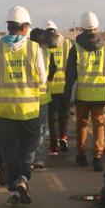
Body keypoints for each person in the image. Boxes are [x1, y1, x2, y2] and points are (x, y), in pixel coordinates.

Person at [0, 5, 46, 207]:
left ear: (8, 26)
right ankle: (23, 180)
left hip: (3, 111)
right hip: (29, 110)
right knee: (28, 150)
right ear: (25, 27)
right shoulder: (34, 48)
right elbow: (42, 79)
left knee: (10, 153)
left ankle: (13, 192)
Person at [64, 11, 105, 173]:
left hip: (82, 94)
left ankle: (81, 155)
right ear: (97, 27)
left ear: (81, 28)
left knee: (82, 124)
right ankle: (98, 157)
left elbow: (70, 75)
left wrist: (68, 96)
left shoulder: (76, 49)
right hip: (100, 95)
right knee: (99, 125)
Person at [44, 20, 71, 154]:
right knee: (64, 115)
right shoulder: (66, 43)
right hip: (65, 86)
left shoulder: (43, 46)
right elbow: (71, 64)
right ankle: (64, 137)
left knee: (53, 118)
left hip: (50, 87)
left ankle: (54, 147)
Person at [29, 27, 53, 171]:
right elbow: (53, 70)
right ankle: (38, 159)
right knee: (41, 130)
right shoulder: (47, 52)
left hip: (29, 98)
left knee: (29, 130)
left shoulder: (27, 52)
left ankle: (29, 158)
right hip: (43, 97)